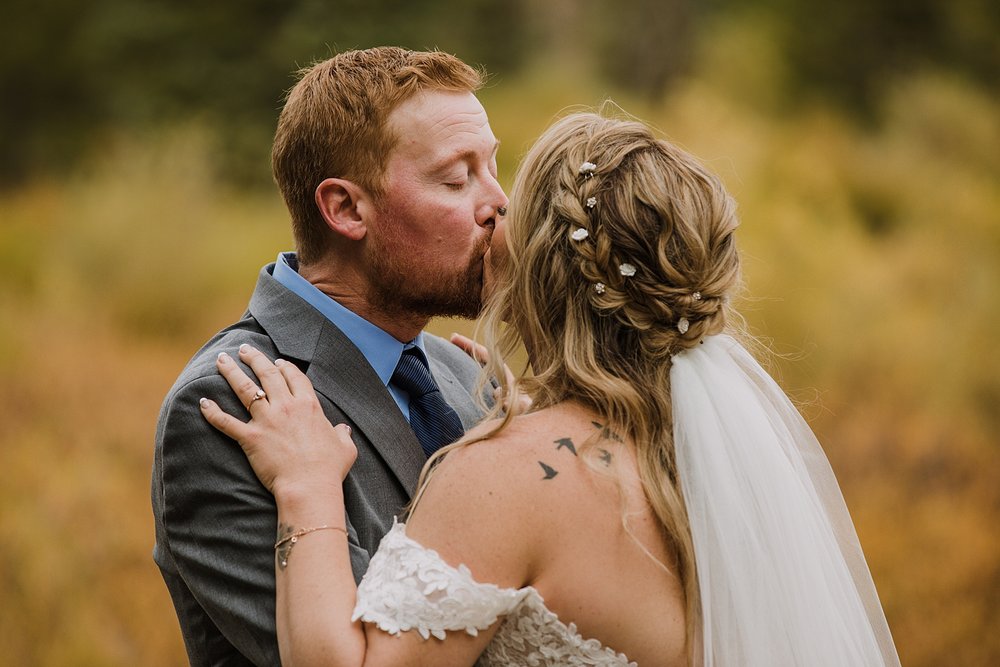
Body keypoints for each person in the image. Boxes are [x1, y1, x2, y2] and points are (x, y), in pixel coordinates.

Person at [201, 112, 902, 666]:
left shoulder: (505, 475)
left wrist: (308, 487)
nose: (492, 209)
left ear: (539, 265)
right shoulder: (720, 461)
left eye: (510, 206)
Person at [152, 47, 508, 666]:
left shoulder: (464, 375)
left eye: (493, 167)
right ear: (344, 208)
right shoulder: (228, 404)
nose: (497, 204)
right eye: (457, 179)